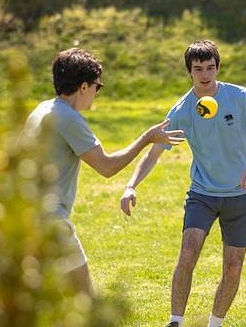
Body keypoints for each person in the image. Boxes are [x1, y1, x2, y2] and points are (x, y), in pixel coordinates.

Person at [120, 39, 246, 327]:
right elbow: (153, 153)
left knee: (233, 265)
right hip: (203, 194)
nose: (205, 74)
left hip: (241, 195)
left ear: (218, 67)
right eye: (198, 69)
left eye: (210, 67)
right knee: (189, 250)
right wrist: (131, 185)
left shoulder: (240, 97)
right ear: (189, 72)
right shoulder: (182, 111)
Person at [24, 47, 184, 295]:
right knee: (84, 299)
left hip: (25, 216)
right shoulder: (68, 118)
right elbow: (107, 167)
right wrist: (146, 138)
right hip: (50, 221)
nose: (97, 94)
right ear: (84, 86)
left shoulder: (42, 109)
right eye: (97, 87)